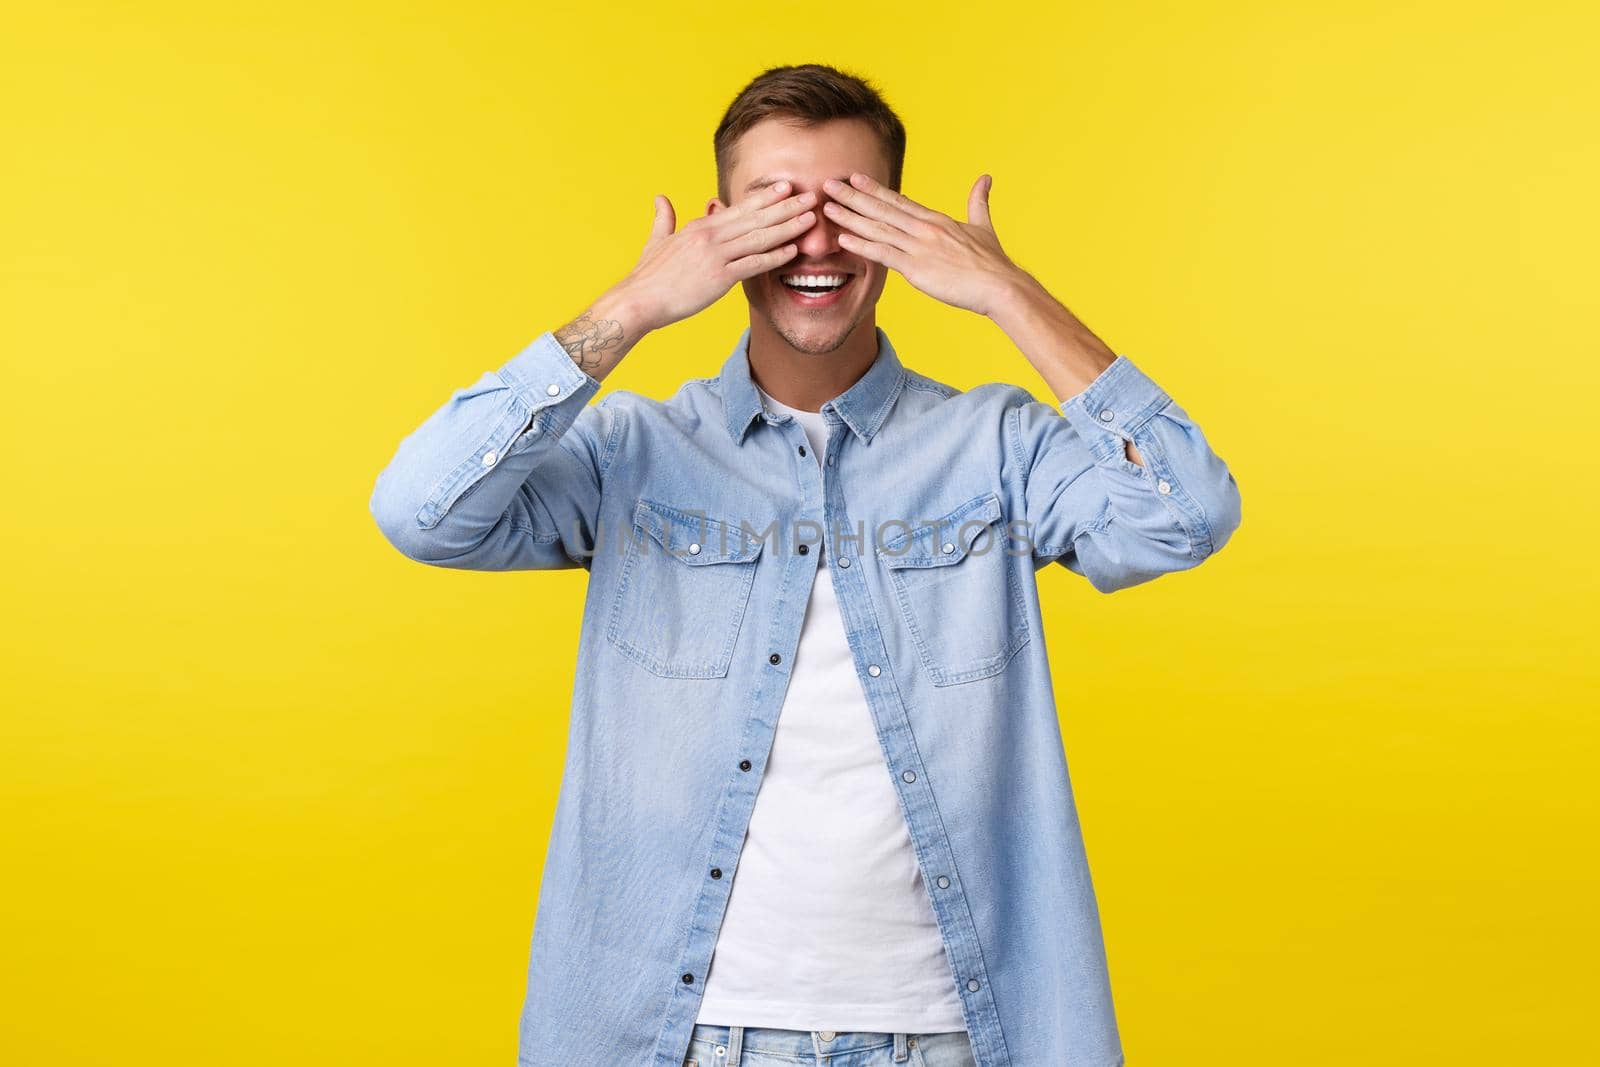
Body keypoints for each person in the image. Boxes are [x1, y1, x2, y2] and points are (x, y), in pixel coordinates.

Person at [369, 62, 1241, 1067]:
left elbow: (1187, 513)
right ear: (714, 230)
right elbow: (419, 510)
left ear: (903, 226)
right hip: (677, 1035)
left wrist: (1008, 293)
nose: (815, 244)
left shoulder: (995, 445)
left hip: (955, 1031)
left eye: (849, 208)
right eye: (776, 209)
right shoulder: (630, 452)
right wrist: (633, 307)